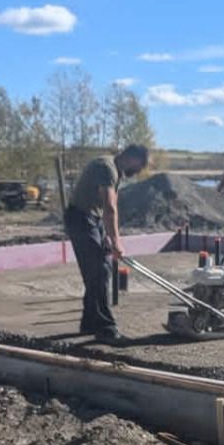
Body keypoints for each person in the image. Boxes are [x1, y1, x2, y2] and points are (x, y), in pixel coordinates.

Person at [64, 145, 149, 342]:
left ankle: (89, 322)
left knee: (97, 271)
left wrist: (107, 234)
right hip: (80, 218)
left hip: (92, 219)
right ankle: (105, 329)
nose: (139, 170)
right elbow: (110, 207)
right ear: (131, 157)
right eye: (140, 164)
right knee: (99, 270)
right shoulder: (106, 168)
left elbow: (107, 208)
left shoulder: (115, 171)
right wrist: (116, 241)